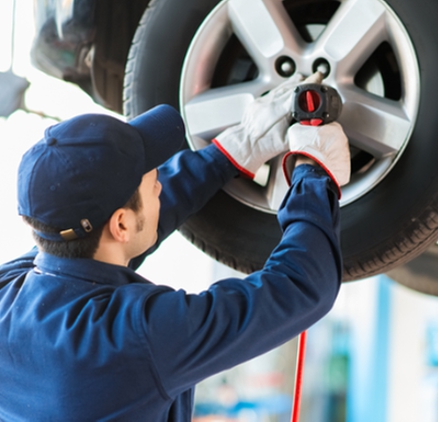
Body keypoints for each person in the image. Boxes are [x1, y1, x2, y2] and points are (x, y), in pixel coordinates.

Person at [0, 74, 350, 421]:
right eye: (153, 181)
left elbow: (113, 237)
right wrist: (313, 174)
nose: (159, 187)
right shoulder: (134, 340)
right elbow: (302, 288)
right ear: (120, 224)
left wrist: (231, 151)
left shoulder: (11, 292)